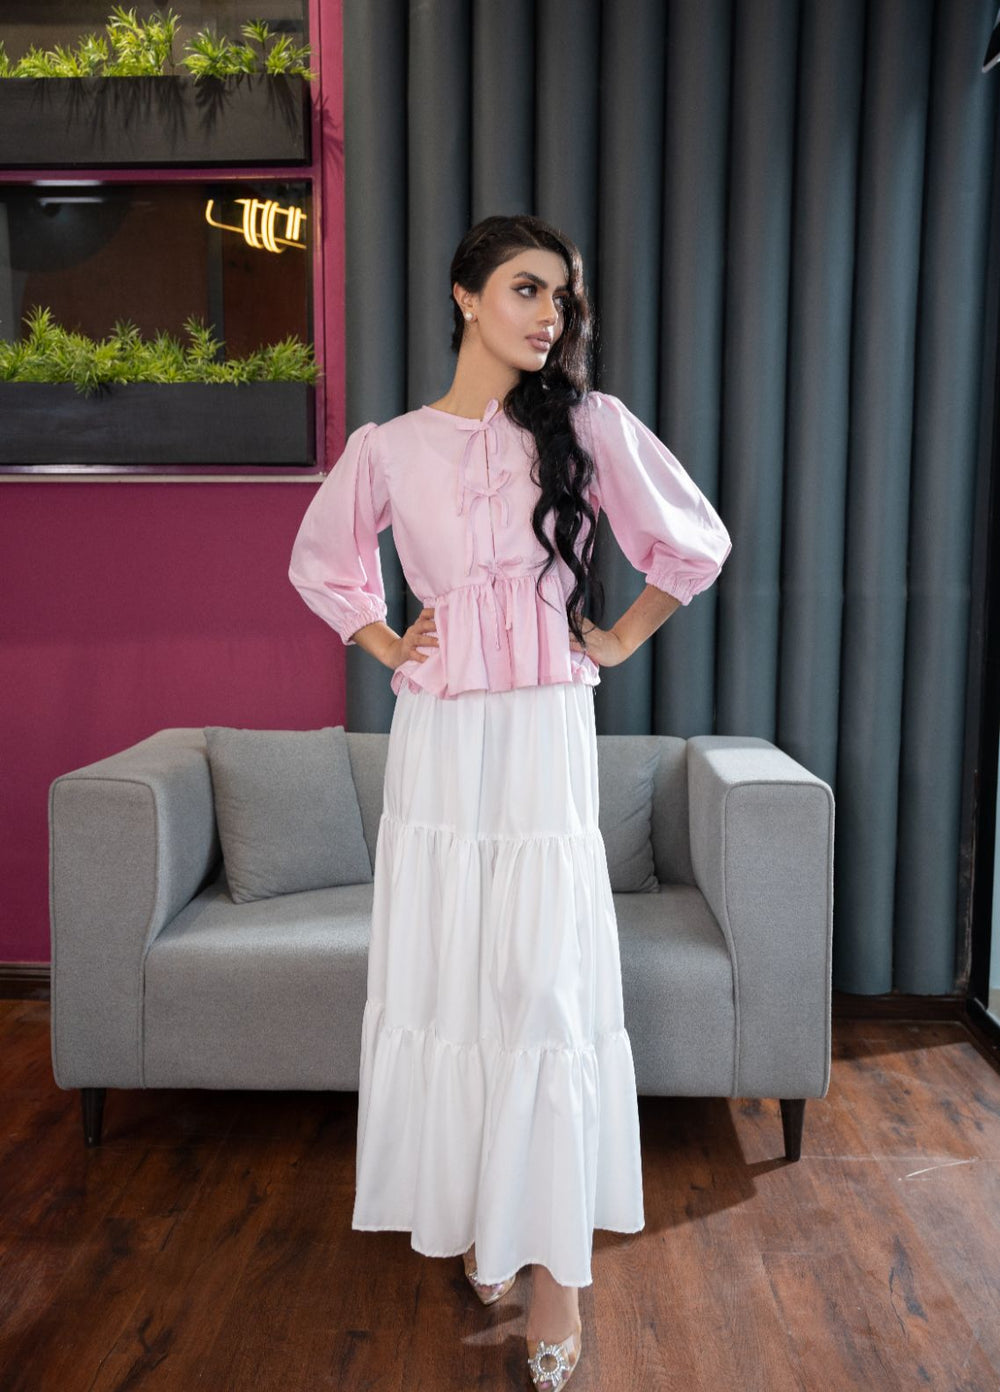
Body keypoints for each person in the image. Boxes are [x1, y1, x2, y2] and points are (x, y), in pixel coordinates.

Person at [288, 213, 732, 1392]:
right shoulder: (390, 448)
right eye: (527, 289)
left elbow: (692, 542)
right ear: (465, 295)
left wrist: (617, 638)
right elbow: (321, 561)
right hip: (440, 742)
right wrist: (388, 640)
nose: (549, 315)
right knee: (455, 978)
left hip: (542, 733)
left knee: (541, 985)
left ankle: (556, 1272)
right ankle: (486, 1217)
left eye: (561, 298)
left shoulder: (587, 427)